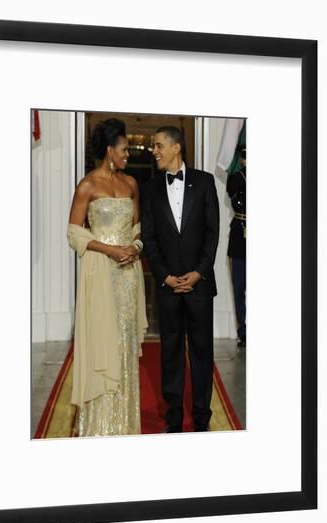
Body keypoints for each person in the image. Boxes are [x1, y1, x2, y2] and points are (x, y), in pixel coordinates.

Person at [67, 118, 147, 437]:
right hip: (100, 272)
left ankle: (125, 423)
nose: (128, 155)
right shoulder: (87, 185)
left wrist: (135, 247)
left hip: (128, 276)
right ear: (110, 150)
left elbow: (139, 228)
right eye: (125, 149)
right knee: (103, 340)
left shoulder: (131, 184)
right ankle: (99, 426)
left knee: (124, 341)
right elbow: (74, 233)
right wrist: (110, 250)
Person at [141, 126, 220, 432]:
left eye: (159, 145)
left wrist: (198, 273)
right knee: (170, 352)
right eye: (154, 146)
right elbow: (149, 237)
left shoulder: (204, 182)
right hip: (168, 287)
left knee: (202, 351)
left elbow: (212, 233)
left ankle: (202, 416)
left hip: (199, 285)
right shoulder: (149, 188)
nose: (155, 151)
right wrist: (165, 276)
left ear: (176, 148)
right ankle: (173, 415)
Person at [226, 144, 246, 347]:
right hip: (240, 234)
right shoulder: (236, 177)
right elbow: (232, 190)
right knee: (239, 286)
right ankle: (244, 331)